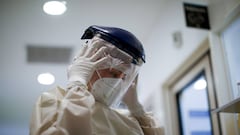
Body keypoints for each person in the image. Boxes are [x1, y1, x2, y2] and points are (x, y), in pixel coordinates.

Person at [30, 25, 164, 135]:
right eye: (112, 73)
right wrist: (77, 84)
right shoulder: (54, 100)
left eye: (123, 77)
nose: (117, 82)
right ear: (89, 66)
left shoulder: (128, 119)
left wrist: (137, 110)